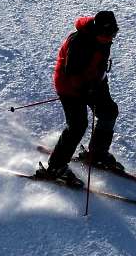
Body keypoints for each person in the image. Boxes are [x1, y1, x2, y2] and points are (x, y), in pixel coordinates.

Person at [37, 10, 122, 184]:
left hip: (93, 83)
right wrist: (86, 90)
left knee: (109, 111)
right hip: (69, 86)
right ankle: (56, 167)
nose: (111, 38)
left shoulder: (104, 39)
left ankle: (97, 154)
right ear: (97, 30)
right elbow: (71, 73)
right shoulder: (79, 42)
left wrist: (99, 85)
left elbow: (99, 65)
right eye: (108, 34)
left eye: (114, 33)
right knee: (78, 125)